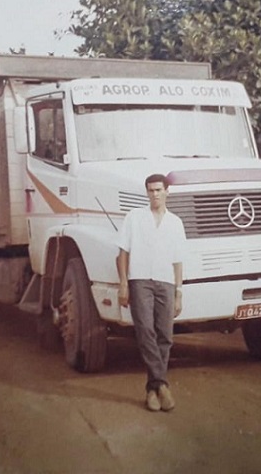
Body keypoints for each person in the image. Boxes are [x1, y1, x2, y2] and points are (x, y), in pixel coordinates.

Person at [117, 173, 186, 412]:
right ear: (146, 193)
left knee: (165, 335)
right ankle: (163, 386)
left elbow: (178, 261)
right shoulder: (134, 218)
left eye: (158, 190)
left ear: (167, 191)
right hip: (140, 281)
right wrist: (123, 283)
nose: (154, 194)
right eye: (150, 190)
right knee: (145, 331)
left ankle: (152, 388)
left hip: (166, 282)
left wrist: (179, 291)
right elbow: (123, 252)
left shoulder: (175, 222)